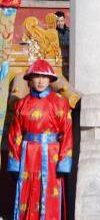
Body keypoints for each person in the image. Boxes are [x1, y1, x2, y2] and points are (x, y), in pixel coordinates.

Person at [8, 59, 73, 220]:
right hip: (28, 154)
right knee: (28, 191)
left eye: (44, 77)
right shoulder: (21, 104)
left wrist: (64, 161)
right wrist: (15, 161)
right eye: (36, 76)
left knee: (51, 192)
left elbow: (67, 132)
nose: (40, 81)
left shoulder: (60, 103)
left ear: (50, 79)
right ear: (30, 79)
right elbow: (15, 134)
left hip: (52, 155)